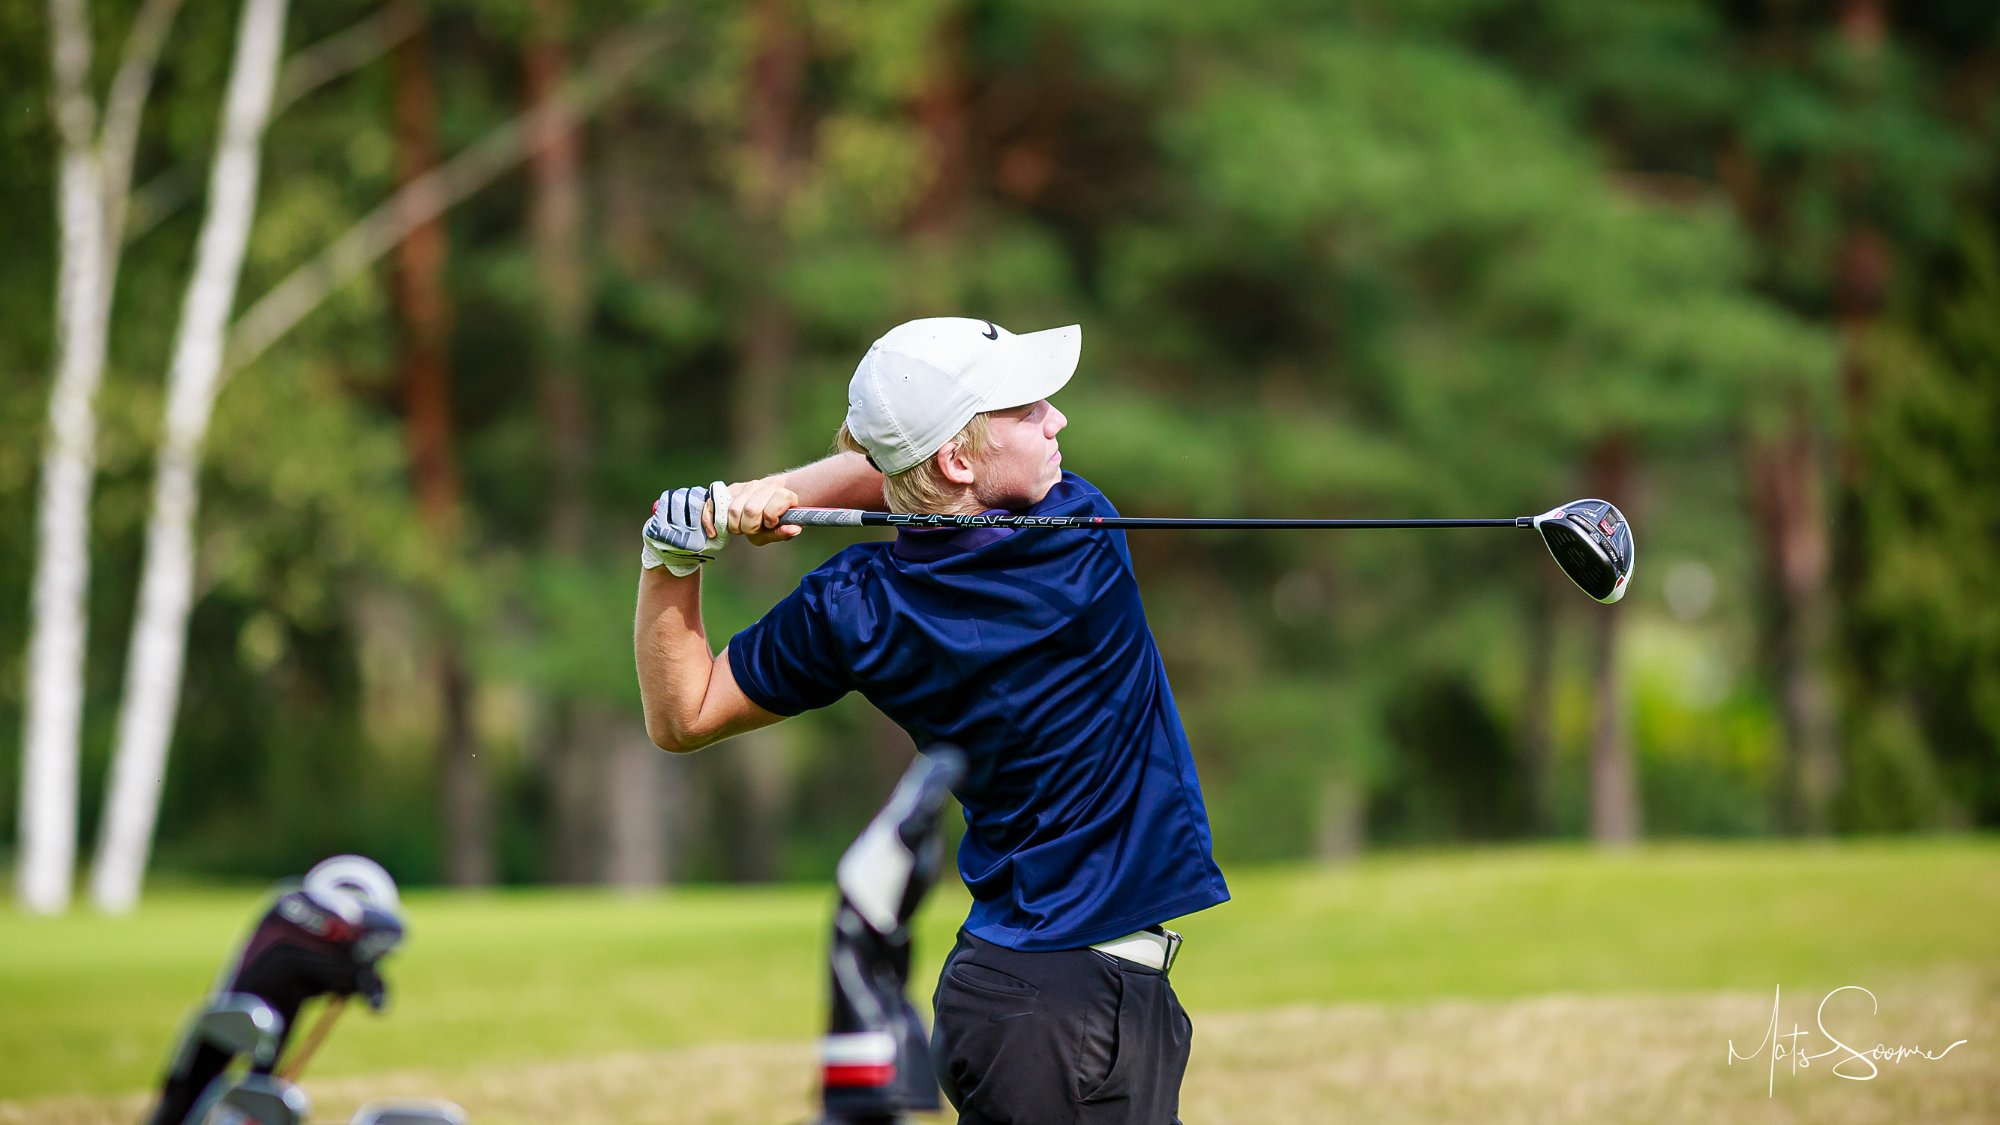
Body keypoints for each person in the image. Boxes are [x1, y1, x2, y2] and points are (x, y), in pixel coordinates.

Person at [633, 317, 1230, 1124]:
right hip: (1073, 1016)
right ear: (957, 458)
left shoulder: (854, 606)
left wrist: (673, 558)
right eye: (1027, 411)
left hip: (1016, 997)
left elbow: (685, 712)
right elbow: (896, 473)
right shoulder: (1079, 535)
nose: (1058, 420)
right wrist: (792, 492)